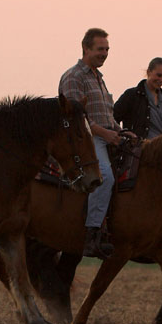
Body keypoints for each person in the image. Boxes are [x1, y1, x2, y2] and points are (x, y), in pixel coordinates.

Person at [58, 28, 133, 258]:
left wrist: (122, 132)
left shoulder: (97, 77)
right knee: (105, 176)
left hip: (107, 136)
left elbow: (106, 115)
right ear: (86, 48)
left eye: (107, 49)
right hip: (86, 141)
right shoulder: (74, 76)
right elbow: (76, 119)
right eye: (100, 49)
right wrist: (106, 135)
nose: (104, 54)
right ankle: (92, 234)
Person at [113, 57, 162, 139]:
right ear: (149, 72)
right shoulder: (132, 95)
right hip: (141, 148)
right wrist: (123, 134)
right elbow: (112, 118)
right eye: (159, 75)